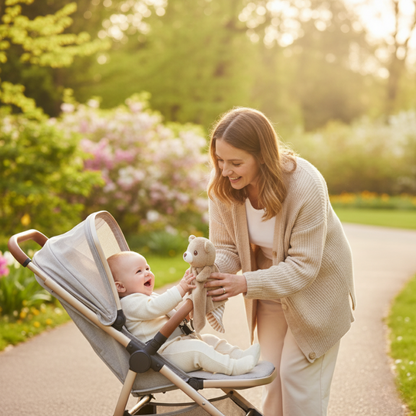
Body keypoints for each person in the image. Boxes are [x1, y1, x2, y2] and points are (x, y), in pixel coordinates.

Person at [204, 107, 356, 416]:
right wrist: (207, 275)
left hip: (317, 290)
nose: (225, 171)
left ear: (262, 156)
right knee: (271, 376)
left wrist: (243, 283)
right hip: (269, 288)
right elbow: (226, 249)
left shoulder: (305, 184)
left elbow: (303, 268)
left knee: (298, 381)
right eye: (219, 160)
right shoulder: (222, 186)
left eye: (235, 163)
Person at [107, 251, 261, 376]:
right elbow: (157, 307)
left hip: (174, 343)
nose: (147, 273)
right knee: (198, 350)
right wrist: (181, 289)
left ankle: (239, 355)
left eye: (147, 268)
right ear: (120, 287)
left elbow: (165, 310)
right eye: (139, 271)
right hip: (161, 353)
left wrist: (181, 314)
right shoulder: (129, 304)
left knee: (209, 340)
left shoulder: (143, 296)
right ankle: (233, 367)